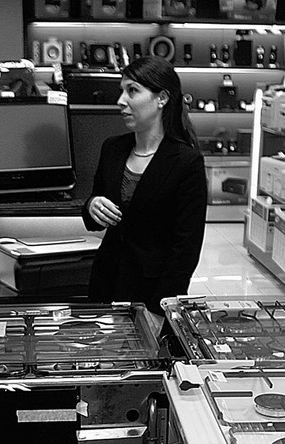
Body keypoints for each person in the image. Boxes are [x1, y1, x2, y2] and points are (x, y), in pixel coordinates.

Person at [81, 55, 207, 336]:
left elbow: (186, 249)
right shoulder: (113, 149)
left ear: (162, 98)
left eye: (133, 91)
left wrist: (158, 310)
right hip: (106, 281)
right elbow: (95, 206)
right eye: (122, 90)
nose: (121, 100)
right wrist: (92, 206)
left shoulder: (186, 162)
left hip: (151, 294)